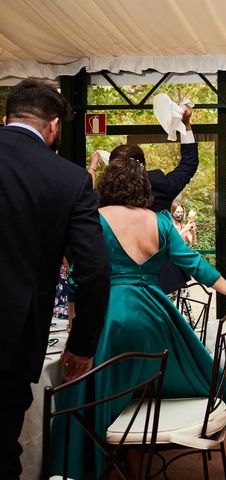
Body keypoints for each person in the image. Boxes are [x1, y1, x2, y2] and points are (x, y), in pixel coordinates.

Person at [51, 156, 226, 477]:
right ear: (143, 186)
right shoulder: (161, 221)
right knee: (156, 372)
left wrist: (75, 323)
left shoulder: (95, 218)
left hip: (110, 316)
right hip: (156, 315)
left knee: (83, 383)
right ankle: (136, 448)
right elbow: (193, 263)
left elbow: (79, 276)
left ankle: (89, 460)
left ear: (108, 186)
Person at [0, 79, 111, 478]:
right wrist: (81, 345)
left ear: (6, 117)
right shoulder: (68, 179)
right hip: (11, 341)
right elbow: (95, 269)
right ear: (53, 127)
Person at [110, 106, 198, 293]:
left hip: (115, 276)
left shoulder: (102, 197)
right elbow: (188, 164)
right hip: (158, 276)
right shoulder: (160, 186)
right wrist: (186, 124)